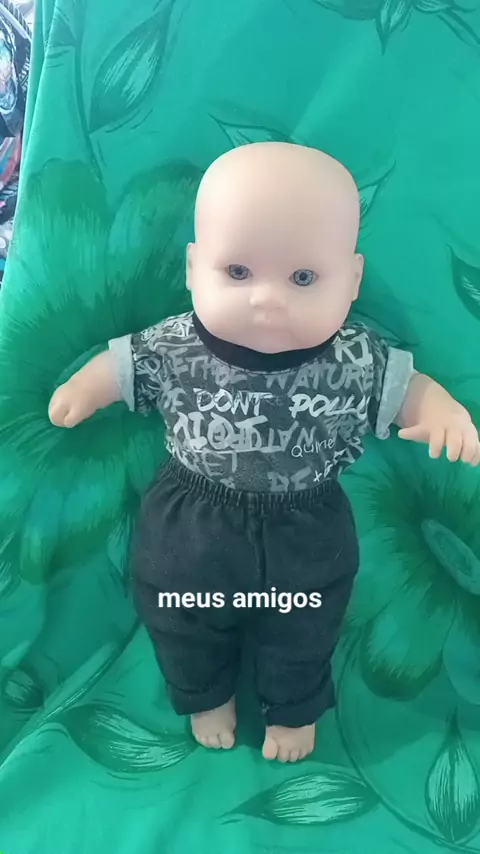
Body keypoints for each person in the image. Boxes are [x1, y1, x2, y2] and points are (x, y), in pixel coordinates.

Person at [48, 142, 480, 763]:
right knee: (178, 612)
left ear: (352, 280)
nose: (267, 299)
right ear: (193, 268)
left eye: (303, 278)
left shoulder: (356, 358)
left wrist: (441, 412)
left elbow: (409, 389)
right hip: (191, 522)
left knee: (306, 625)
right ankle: (204, 693)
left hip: (307, 529)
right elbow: (124, 365)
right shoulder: (174, 344)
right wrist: (84, 389)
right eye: (238, 272)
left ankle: (293, 706)